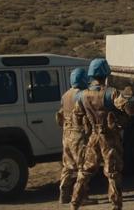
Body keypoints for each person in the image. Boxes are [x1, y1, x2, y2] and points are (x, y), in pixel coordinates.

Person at [70, 58, 134, 210]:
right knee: (113, 173)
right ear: (105, 73)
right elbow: (130, 109)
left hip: (93, 137)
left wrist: (86, 129)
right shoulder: (111, 93)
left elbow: (77, 116)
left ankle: (74, 203)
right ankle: (115, 206)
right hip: (110, 138)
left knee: (85, 171)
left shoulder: (81, 95)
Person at [56, 67, 90, 204]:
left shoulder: (65, 95)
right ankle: (81, 197)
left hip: (66, 134)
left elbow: (59, 116)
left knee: (67, 165)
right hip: (79, 135)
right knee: (83, 166)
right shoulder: (82, 95)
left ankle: (63, 195)